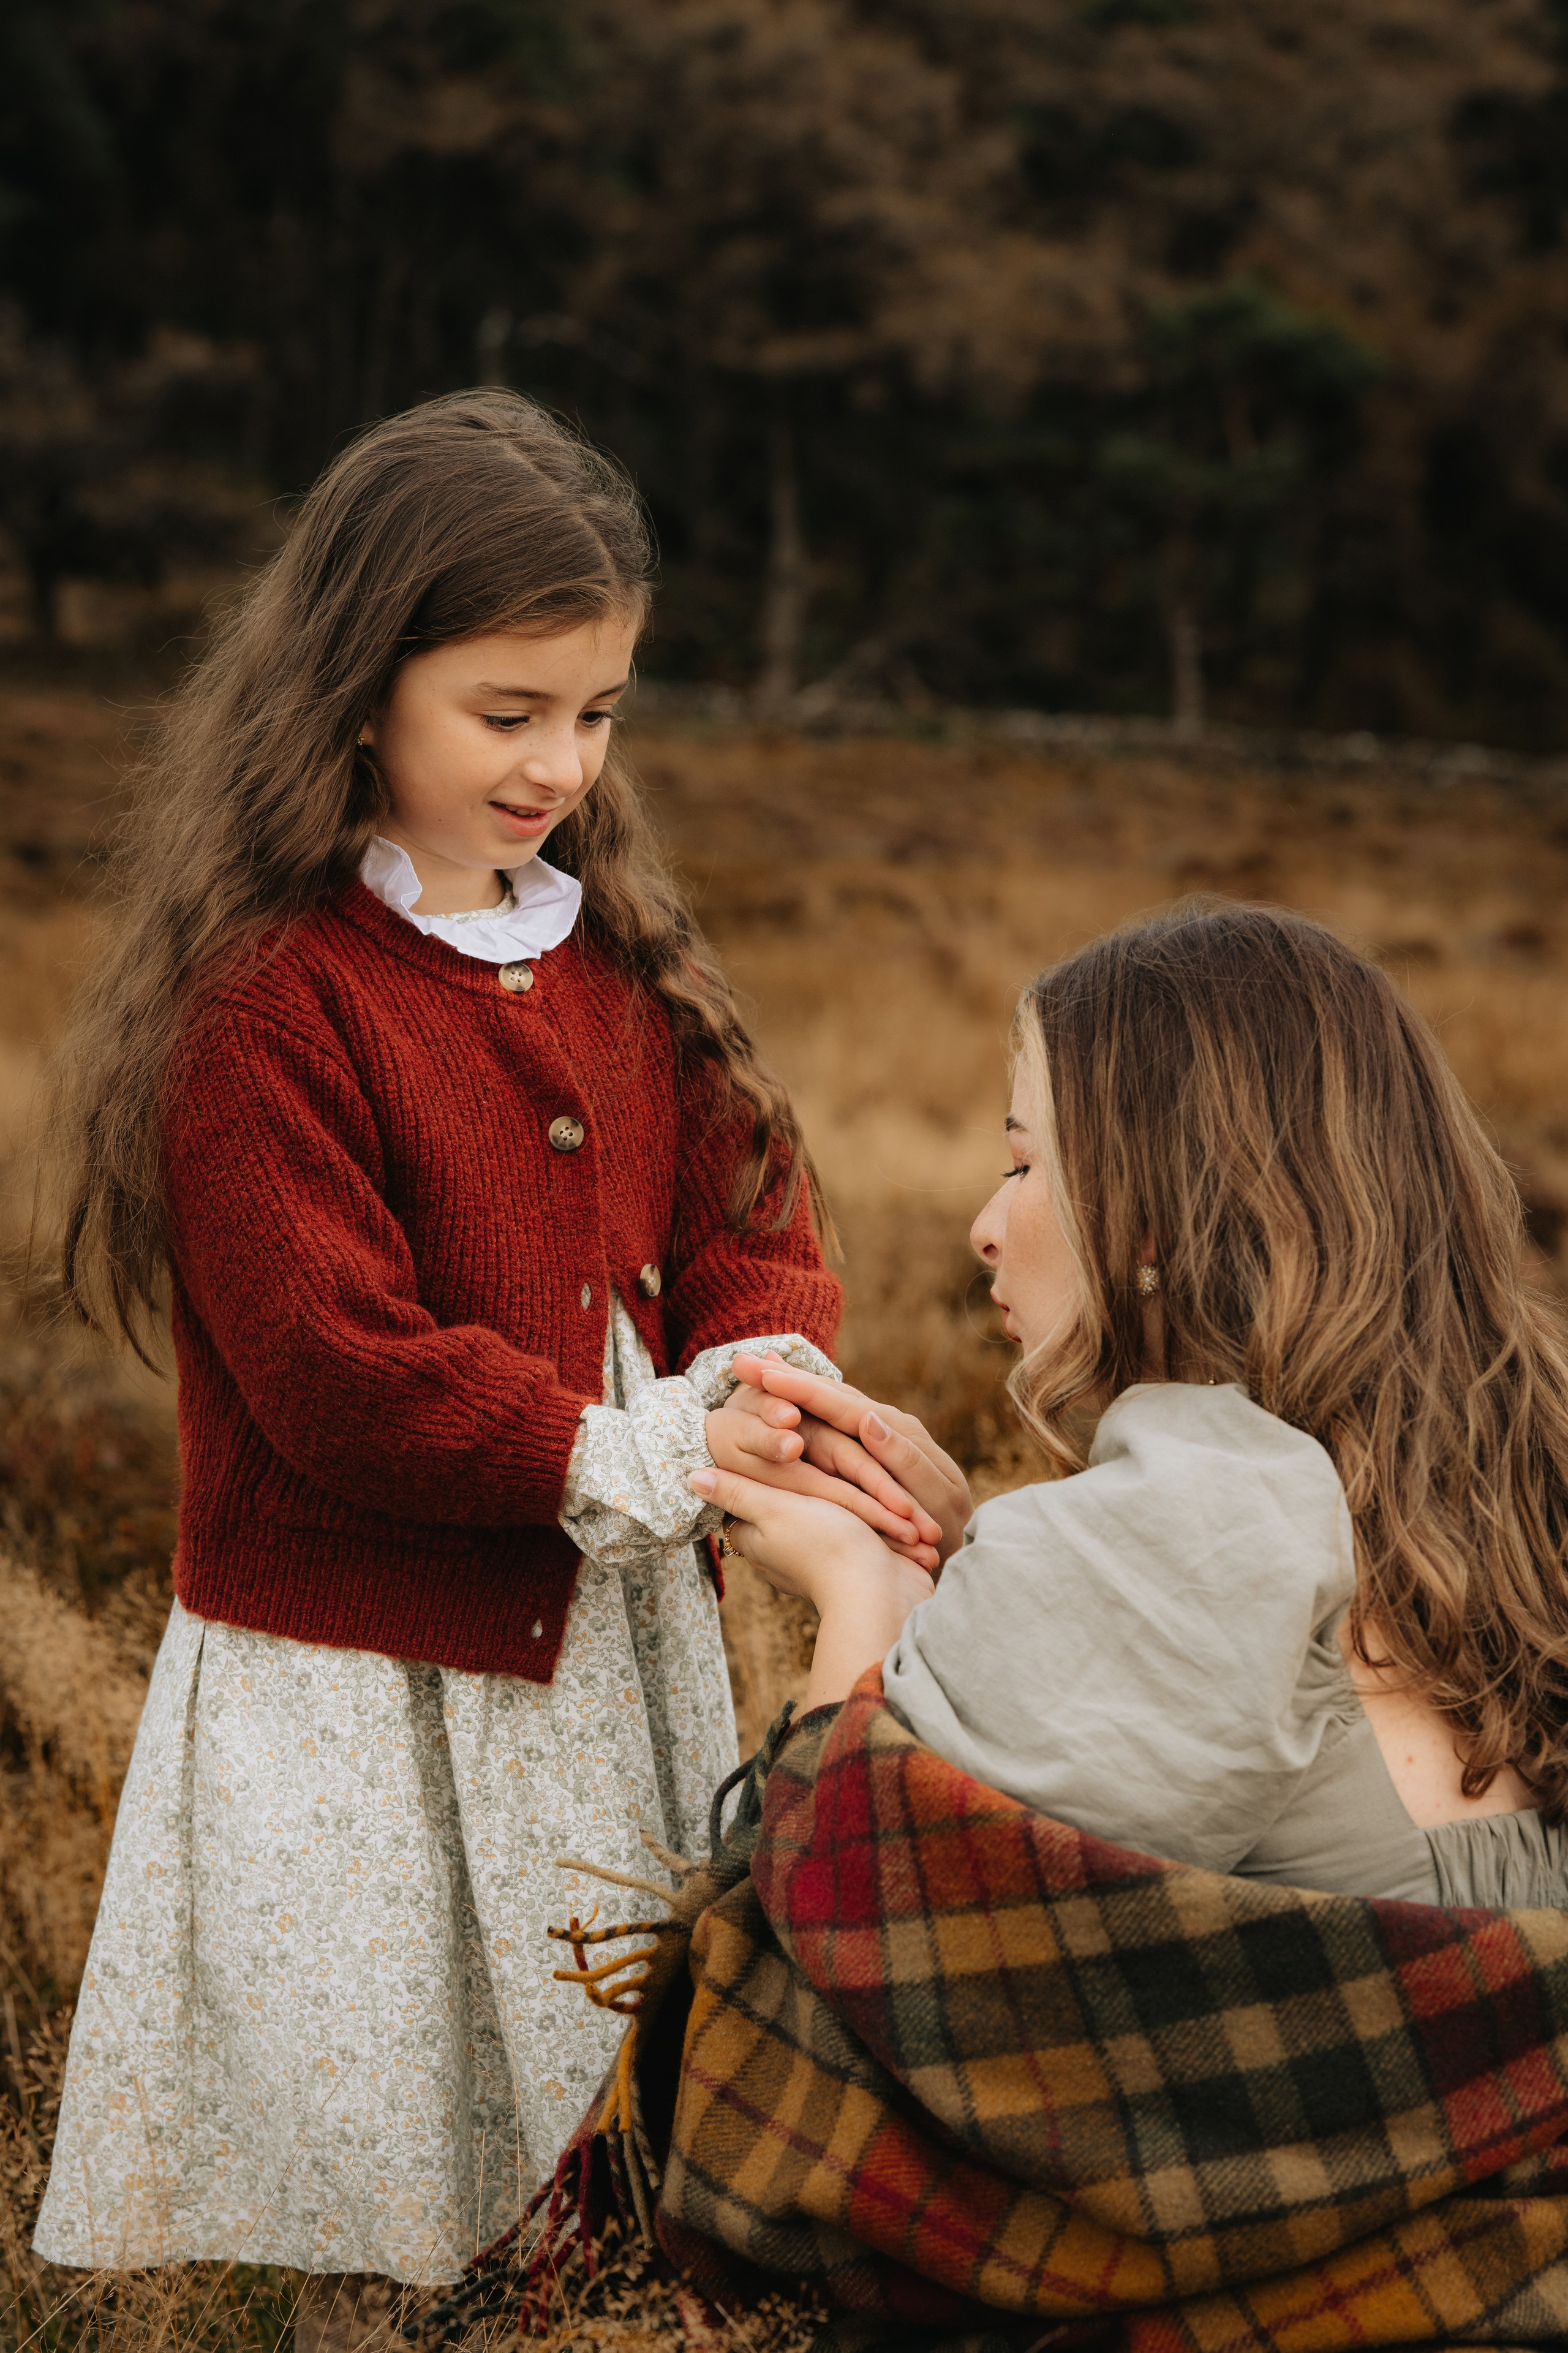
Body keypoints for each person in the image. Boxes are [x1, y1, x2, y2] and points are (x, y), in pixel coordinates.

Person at [31, 390, 941, 2329]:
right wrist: (647, 1458)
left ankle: (578, 2297)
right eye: (508, 712)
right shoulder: (266, 1002)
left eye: (598, 712)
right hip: (362, 1671)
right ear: (361, 688)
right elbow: (340, 1368)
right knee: (382, 2115)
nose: (562, 761)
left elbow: (745, 1203)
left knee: (590, 2065)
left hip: (604, 1644)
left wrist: (763, 1373)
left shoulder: (610, 944)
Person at [695, 902, 1568, 1911]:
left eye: (1024, 1164)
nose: (986, 1228)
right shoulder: (1507, 1483)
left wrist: (864, 1588)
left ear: (1149, 1217)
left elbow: (835, 1945)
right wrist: (983, 1568)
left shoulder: (1194, 1524)